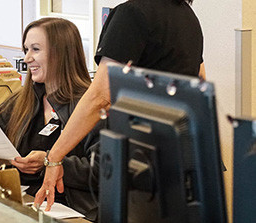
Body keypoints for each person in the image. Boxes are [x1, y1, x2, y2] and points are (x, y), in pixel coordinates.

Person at [34, 0, 206, 212]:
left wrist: (54, 158)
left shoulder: (131, 14)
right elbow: (199, 84)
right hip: (182, 160)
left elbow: (101, 96)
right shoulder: (187, 16)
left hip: (143, 165)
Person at [0, 17, 103, 220]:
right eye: (26, 50)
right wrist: (8, 157)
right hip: (22, 202)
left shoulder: (90, 107)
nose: (26, 59)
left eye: (35, 49)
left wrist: (50, 161)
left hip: (71, 211)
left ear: (61, 54)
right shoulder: (24, 99)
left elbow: (102, 172)